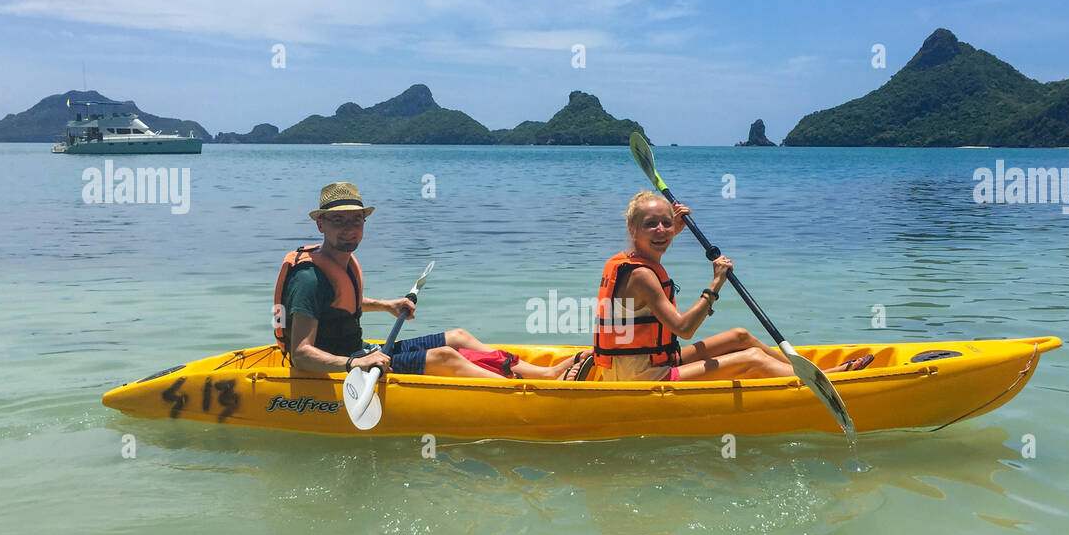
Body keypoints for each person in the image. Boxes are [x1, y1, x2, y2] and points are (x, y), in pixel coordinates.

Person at [276, 182, 587, 379]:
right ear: (321, 225)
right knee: (445, 356)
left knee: (460, 336)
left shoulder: (342, 263)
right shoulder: (308, 278)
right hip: (342, 367)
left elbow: (342, 306)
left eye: (356, 220)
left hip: (365, 352)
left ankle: (544, 375)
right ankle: (522, 393)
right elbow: (301, 353)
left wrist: (387, 305)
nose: (349, 228)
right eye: (338, 220)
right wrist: (353, 365)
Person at [591, 191, 873, 381]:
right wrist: (716, 282)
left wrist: (675, 230)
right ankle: (824, 380)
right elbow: (685, 329)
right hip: (642, 375)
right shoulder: (641, 276)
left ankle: (808, 374)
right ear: (633, 229)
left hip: (650, 361)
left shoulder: (631, 260)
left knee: (739, 336)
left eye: (666, 223)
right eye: (651, 224)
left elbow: (655, 245)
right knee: (751, 358)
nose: (661, 231)